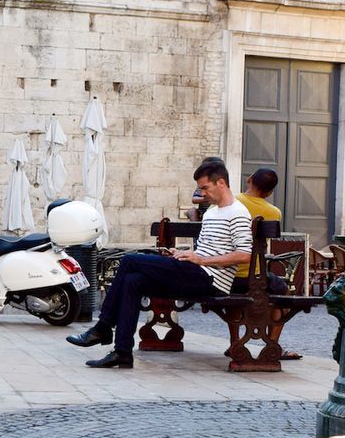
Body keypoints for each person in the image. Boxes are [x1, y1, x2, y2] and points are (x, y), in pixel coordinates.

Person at [67, 157, 252, 369]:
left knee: (129, 261)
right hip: (195, 271)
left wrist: (200, 259)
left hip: (210, 280)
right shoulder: (211, 213)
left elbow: (244, 254)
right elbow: (206, 250)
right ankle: (122, 352)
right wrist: (184, 254)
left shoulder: (238, 213)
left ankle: (103, 326)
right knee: (132, 281)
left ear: (221, 183)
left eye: (205, 188)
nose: (202, 194)